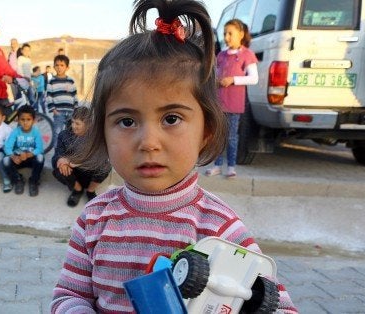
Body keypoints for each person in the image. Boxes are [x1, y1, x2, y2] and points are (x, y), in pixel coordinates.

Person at [50, 0, 297, 313]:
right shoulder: (94, 219)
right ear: (102, 132)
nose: (149, 142)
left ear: (205, 130)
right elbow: (67, 296)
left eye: (171, 119)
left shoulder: (219, 228)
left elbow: (280, 307)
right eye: (127, 121)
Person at [205, 19, 259, 179]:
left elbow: (254, 78)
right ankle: (217, 165)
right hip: (219, 103)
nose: (227, 37)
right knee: (217, 136)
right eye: (225, 34)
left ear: (241, 34)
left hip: (234, 104)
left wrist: (233, 80)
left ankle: (231, 166)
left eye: (230, 33)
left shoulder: (247, 55)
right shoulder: (221, 55)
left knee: (231, 136)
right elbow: (215, 72)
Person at [51, 107, 110, 207]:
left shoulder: (95, 138)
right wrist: (61, 160)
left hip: (90, 173)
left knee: (106, 166)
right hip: (73, 174)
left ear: (88, 124)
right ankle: (77, 190)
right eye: (73, 122)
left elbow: (99, 158)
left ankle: (90, 192)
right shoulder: (64, 135)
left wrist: (70, 162)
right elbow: (58, 154)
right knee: (58, 167)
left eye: (77, 123)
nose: (73, 126)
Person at [3, 105, 44, 197]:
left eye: (28, 119)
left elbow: (40, 148)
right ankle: (18, 180)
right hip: (18, 159)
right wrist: (13, 156)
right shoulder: (15, 132)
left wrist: (29, 155)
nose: (25, 122)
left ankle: (34, 181)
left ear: (33, 120)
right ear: (18, 120)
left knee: (40, 158)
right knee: (5, 160)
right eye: (22, 119)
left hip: (31, 158)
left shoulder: (36, 132)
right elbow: (7, 147)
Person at [46, 54, 78, 147]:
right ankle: (58, 152)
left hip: (71, 111)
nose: (59, 67)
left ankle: (70, 150)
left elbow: (74, 94)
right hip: (58, 112)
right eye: (57, 65)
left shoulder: (70, 80)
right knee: (57, 132)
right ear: (54, 67)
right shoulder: (51, 81)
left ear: (67, 67)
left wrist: (76, 108)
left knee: (71, 132)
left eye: (62, 65)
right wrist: (53, 110)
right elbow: (49, 96)